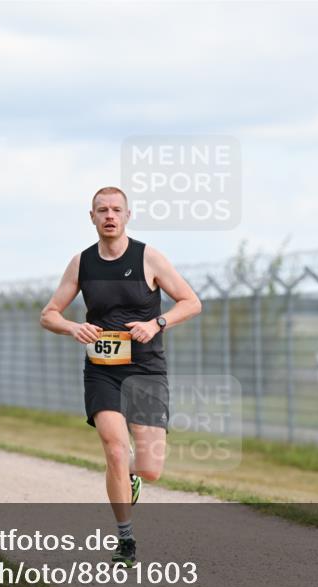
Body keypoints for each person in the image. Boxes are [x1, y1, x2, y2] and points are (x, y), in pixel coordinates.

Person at [40, 186, 201, 566]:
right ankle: (126, 539)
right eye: (102, 210)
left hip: (146, 369)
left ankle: (132, 476)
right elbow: (49, 314)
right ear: (92, 217)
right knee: (114, 449)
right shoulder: (82, 263)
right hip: (102, 371)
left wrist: (157, 322)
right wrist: (72, 328)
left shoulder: (148, 257)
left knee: (149, 467)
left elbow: (192, 302)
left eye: (116, 210)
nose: (109, 216)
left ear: (128, 216)